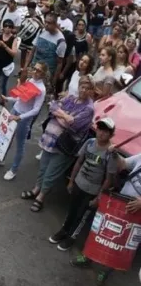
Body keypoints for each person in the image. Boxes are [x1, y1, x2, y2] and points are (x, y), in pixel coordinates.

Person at [21, 77, 96, 212]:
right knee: (43, 167)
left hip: (64, 146)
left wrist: (60, 115)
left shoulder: (89, 108)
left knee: (51, 172)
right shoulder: (71, 98)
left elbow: (74, 125)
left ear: (91, 91)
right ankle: (36, 189)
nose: (83, 90)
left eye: (87, 88)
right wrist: (65, 116)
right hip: (50, 140)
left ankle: (41, 197)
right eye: (82, 87)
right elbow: (53, 106)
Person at [50, 118, 118, 251]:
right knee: (72, 210)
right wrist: (71, 181)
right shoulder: (90, 143)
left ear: (111, 134)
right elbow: (79, 162)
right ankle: (64, 230)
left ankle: (72, 237)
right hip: (78, 184)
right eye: (100, 129)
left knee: (82, 216)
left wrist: (98, 197)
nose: (101, 133)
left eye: (105, 131)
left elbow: (108, 179)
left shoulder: (111, 154)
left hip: (92, 191)